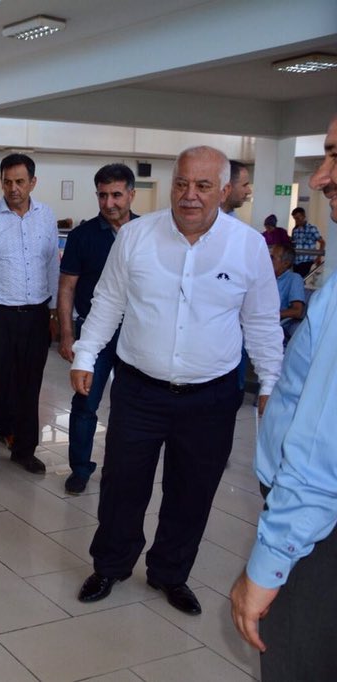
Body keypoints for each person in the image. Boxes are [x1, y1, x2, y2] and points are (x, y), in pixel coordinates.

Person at [71, 146, 283, 615]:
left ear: (224, 192)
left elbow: (262, 322)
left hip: (211, 398)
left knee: (192, 491)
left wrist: (271, 381)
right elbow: (108, 301)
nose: (190, 195)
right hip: (139, 390)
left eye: (203, 186)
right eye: (182, 184)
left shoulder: (247, 246)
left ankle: (169, 572)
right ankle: (111, 565)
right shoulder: (136, 236)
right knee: (122, 485)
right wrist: (85, 353)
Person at [230, 112, 337, 681]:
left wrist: (267, 567)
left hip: (318, 536)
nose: (319, 177)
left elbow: (320, 453)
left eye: (335, 156)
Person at [0, 153, 59, 477]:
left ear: (33, 182)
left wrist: (54, 313)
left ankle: (24, 450)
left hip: (35, 315)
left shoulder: (46, 216)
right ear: (0, 182)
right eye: (7, 182)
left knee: (29, 387)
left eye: (20, 182)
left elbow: (52, 264)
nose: (13, 188)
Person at [57, 164, 138, 494]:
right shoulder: (83, 236)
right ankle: (80, 468)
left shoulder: (147, 233)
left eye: (116, 195)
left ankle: (122, 467)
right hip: (94, 335)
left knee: (130, 407)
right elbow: (67, 288)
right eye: (102, 196)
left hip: (136, 335)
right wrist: (67, 335)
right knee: (85, 402)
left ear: (131, 194)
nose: (109, 203)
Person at [268, 243, 306, 341]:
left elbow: (297, 311)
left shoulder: (294, 279)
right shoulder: (266, 277)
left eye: (272, 258)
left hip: (275, 327)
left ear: (286, 263)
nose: (268, 260)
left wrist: (270, 315)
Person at [289, 206, 325, 278]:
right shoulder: (295, 230)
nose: (296, 220)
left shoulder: (311, 228)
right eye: (295, 218)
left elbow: (322, 242)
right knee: (297, 280)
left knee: (301, 279)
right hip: (296, 261)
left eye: (298, 218)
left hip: (307, 260)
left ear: (303, 216)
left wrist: (319, 257)